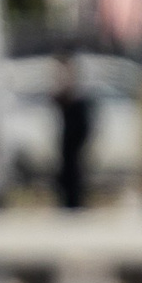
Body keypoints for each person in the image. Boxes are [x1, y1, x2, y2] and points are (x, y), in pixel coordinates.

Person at [52, 55, 91, 212]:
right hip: (63, 152)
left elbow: (84, 128)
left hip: (74, 152)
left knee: (74, 182)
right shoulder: (60, 99)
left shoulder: (79, 102)